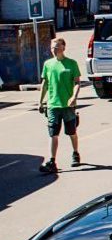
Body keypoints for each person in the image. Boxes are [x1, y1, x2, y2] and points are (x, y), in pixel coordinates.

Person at [38, 36, 82, 173]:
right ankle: (52, 161)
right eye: (52, 47)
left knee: (71, 132)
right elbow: (45, 84)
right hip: (53, 105)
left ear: (63, 47)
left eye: (56, 47)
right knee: (53, 134)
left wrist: (74, 97)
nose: (54, 49)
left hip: (68, 106)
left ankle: (75, 153)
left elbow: (77, 83)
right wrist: (40, 102)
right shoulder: (48, 64)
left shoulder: (71, 64)